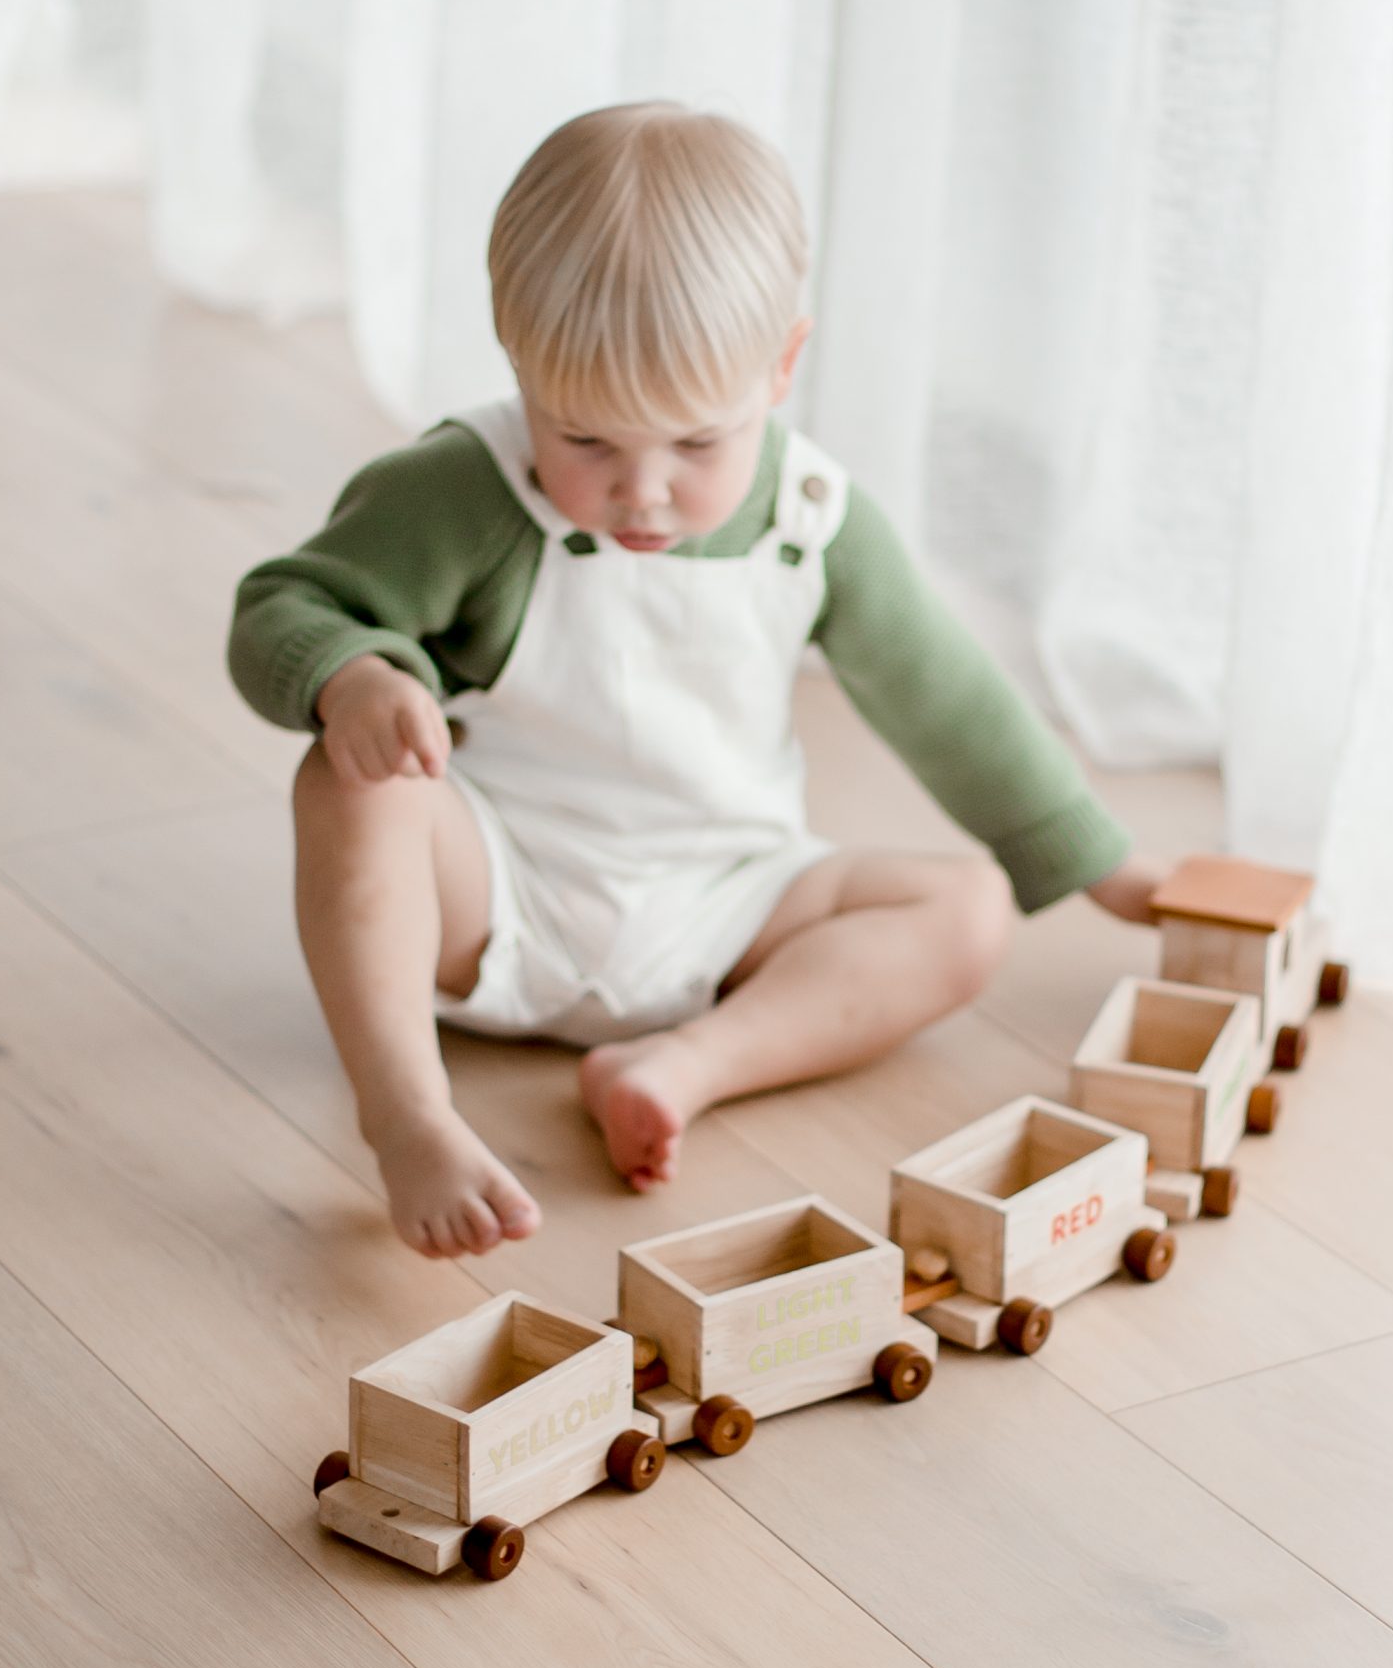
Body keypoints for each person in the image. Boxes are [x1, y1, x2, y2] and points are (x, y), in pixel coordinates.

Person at [229, 102, 1158, 1256]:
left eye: (695, 444)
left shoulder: (814, 521)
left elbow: (950, 698)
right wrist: (353, 677)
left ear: (781, 368)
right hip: (498, 893)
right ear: (517, 360)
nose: (643, 490)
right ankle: (408, 1111)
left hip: (730, 905)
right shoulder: (461, 489)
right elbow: (282, 604)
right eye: (585, 440)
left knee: (967, 911)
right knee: (348, 785)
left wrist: (1098, 861)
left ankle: (685, 1064)